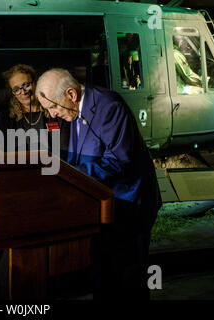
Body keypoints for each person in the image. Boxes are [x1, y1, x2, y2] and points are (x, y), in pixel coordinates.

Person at [36, 68, 162, 300]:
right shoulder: (72, 111)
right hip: (101, 207)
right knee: (103, 276)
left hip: (129, 205)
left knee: (129, 279)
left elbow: (118, 161)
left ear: (71, 94)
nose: (52, 114)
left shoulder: (109, 106)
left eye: (53, 107)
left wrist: (72, 175)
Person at [0, 64, 70, 158]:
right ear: (13, 93)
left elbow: (65, 152)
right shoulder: (6, 118)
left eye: (26, 85)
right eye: (16, 89)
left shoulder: (55, 111)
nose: (23, 92)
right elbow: (0, 155)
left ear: (36, 83)